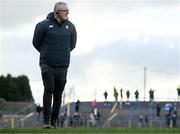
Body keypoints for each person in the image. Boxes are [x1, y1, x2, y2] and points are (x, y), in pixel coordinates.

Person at [32, 2, 77, 129]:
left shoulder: (71, 27)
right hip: (47, 64)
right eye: (65, 10)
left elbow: (72, 45)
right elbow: (36, 43)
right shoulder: (43, 25)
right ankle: (46, 121)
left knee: (58, 94)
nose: (68, 13)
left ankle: (54, 121)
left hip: (63, 65)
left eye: (68, 10)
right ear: (57, 12)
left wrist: (61, 54)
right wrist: (47, 53)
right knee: (49, 89)